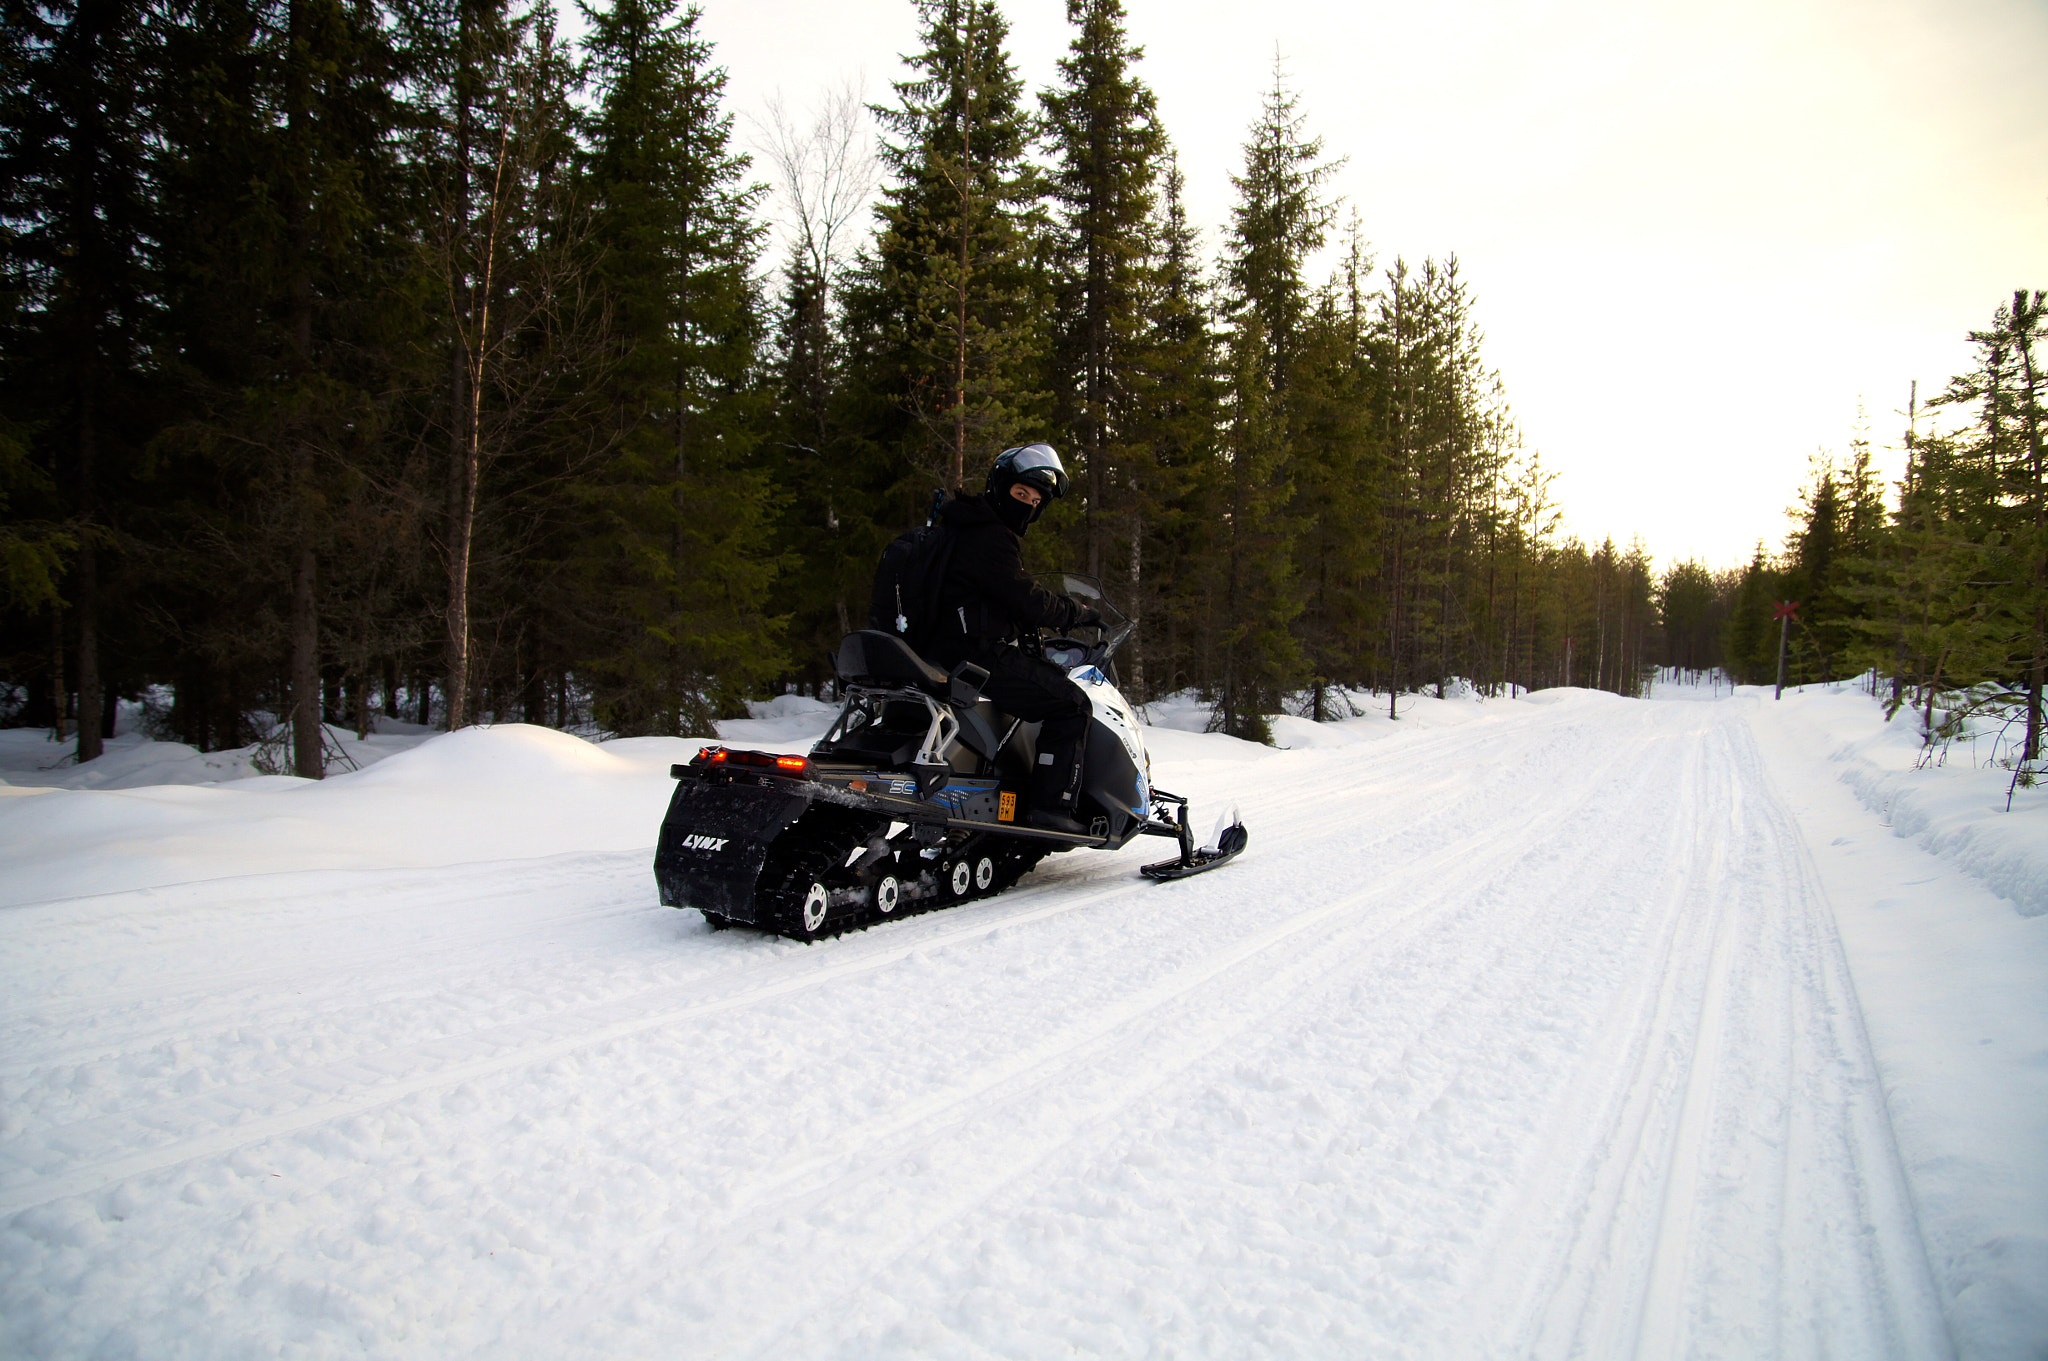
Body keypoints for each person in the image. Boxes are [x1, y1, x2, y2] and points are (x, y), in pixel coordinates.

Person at [916, 443, 1101, 835]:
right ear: (1000, 488)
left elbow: (997, 595)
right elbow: (1027, 598)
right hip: (976, 655)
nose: (1028, 506)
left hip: (943, 648)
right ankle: (1054, 808)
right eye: (1021, 494)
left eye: (1036, 501)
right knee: (1071, 704)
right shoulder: (989, 536)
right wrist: (1076, 614)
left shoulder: (959, 526)